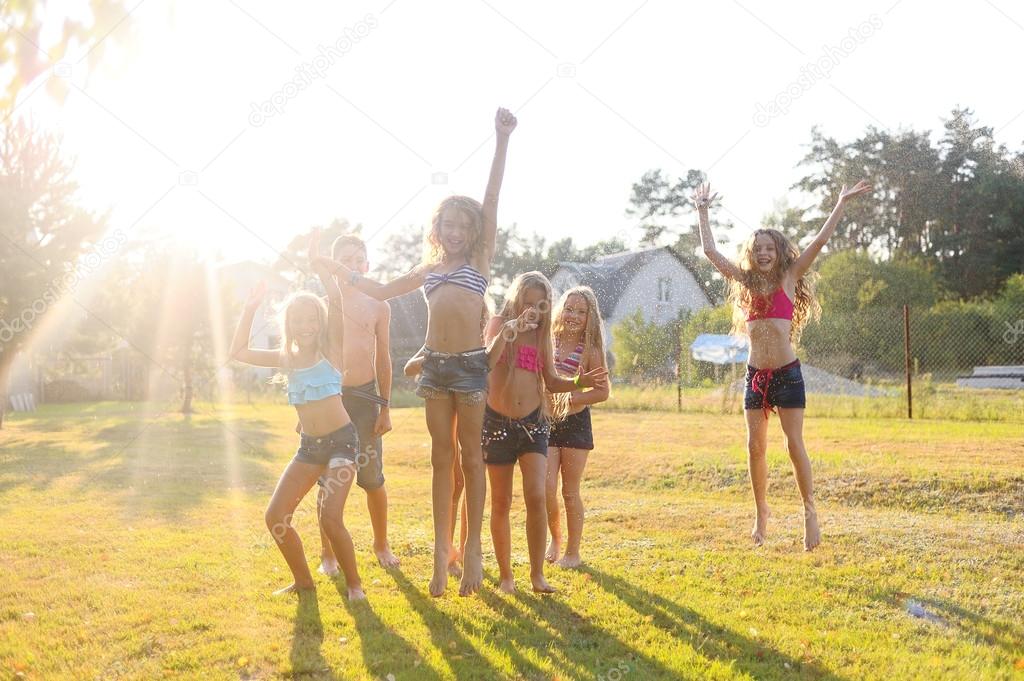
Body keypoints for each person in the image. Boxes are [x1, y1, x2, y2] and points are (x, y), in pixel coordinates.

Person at [316, 107, 518, 596]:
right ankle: (439, 552)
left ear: (472, 231)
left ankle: (472, 554)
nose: (453, 231)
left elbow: (491, 199)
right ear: (437, 228)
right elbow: (382, 290)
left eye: (461, 225)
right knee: (440, 460)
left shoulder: (480, 259)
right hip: (436, 371)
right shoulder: (428, 268)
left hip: (471, 369)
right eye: (446, 224)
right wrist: (344, 275)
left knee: (472, 460)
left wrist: (501, 139)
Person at [694, 179, 872, 550]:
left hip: (788, 374)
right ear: (750, 253)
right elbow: (710, 251)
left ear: (778, 252)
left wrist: (840, 202)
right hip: (756, 376)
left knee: (794, 444)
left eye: (769, 248)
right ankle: (761, 513)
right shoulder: (743, 281)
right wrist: (703, 209)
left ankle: (810, 513)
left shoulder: (790, 277)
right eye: (757, 248)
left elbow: (819, 242)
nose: (762, 253)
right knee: (754, 447)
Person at [230, 230, 364, 599]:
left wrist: (318, 261)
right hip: (309, 448)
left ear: (320, 322)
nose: (307, 325)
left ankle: (355, 587)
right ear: (290, 324)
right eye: (299, 320)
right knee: (275, 517)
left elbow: (334, 297)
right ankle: (304, 582)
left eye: (312, 319)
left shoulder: (331, 350)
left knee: (330, 516)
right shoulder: (286, 359)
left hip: (342, 442)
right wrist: (250, 308)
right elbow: (238, 350)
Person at [482, 272, 608, 593]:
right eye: (528, 304)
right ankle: (506, 577)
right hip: (497, 424)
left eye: (541, 306)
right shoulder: (499, 324)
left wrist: (580, 383)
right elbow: (483, 364)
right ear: (516, 300)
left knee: (538, 496)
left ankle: (537, 576)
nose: (534, 313)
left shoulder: (542, 336)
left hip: (535, 423)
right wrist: (507, 334)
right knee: (501, 502)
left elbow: (551, 381)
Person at [314, 234, 399, 576]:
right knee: (326, 478)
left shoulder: (378, 305)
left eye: (356, 259)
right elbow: (312, 359)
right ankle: (327, 552)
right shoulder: (323, 304)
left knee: (371, 477)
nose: (351, 265)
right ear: (332, 267)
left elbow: (384, 358)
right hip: (330, 400)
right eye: (343, 259)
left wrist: (385, 407)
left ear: (367, 266)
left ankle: (381, 543)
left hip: (365, 400)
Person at [544, 286, 610, 568]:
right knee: (545, 488)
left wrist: (571, 399)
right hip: (545, 421)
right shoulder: (549, 340)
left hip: (575, 423)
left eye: (581, 312)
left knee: (570, 491)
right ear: (561, 309)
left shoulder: (590, 349)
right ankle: (555, 538)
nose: (573, 315)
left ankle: (573, 553)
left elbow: (602, 391)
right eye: (569, 308)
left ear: (589, 317)